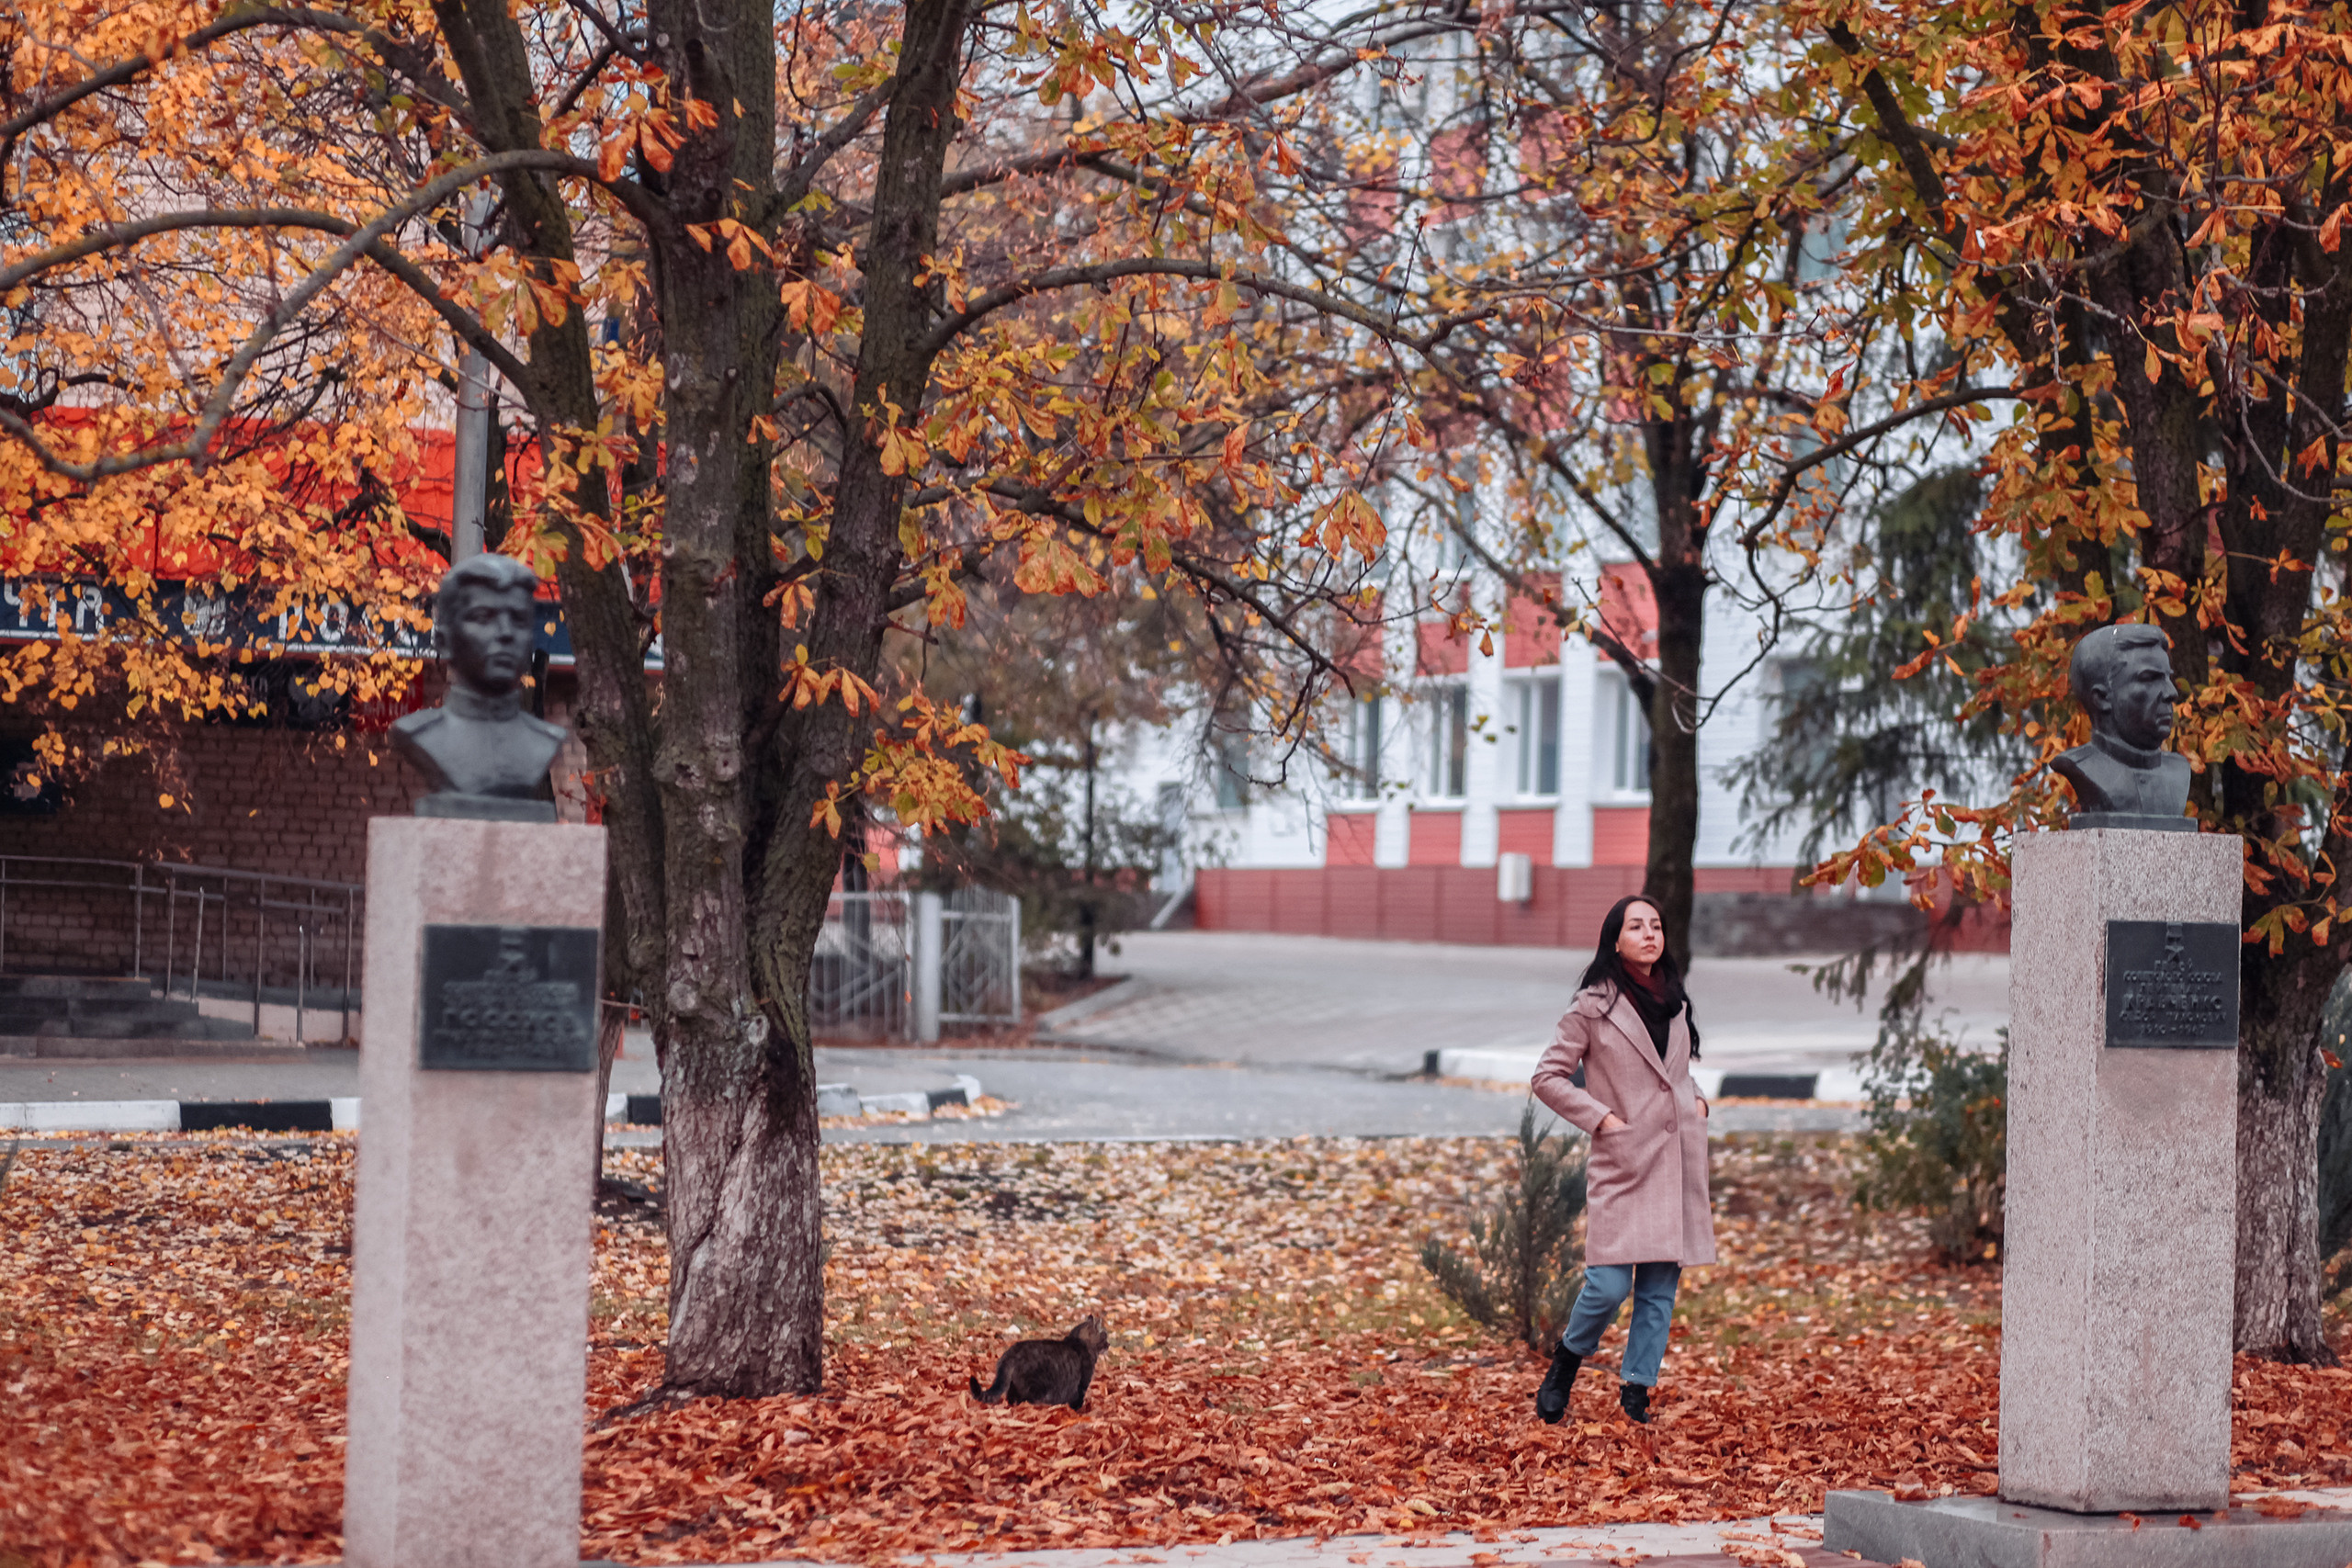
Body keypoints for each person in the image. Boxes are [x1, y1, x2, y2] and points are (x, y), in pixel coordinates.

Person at [1527, 894, 1714, 1425]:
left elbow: (1675, 1073)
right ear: (1615, 940)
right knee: (1608, 1285)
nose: (1649, 934)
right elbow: (1547, 1077)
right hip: (1624, 1161)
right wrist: (1601, 1119)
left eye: (1656, 926)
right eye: (1636, 927)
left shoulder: (1673, 999)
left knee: (1658, 1289)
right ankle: (1566, 1361)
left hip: (1674, 1158)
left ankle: (1636, 1393)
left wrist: (1698, 1101)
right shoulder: (1591, 1007)